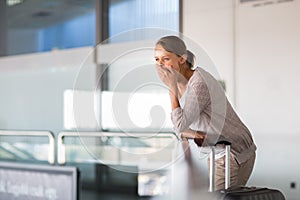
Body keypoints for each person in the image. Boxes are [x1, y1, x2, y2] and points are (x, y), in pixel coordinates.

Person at [154, 35, 256, 190]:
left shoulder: (198, 83)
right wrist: (194, 134)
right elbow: (178, 128)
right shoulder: (182, 83)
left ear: (182, 58)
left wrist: (171, 89)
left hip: (232, 151)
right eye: (156, 59)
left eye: (165, 58)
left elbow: (180, 125)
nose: (160, 64)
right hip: (216, 151)